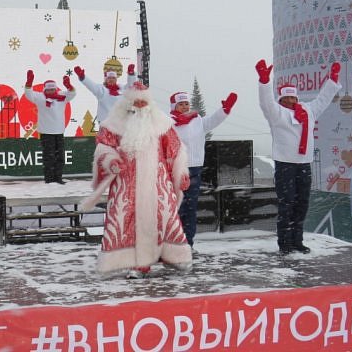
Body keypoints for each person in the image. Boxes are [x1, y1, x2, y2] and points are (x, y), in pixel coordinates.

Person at [81, 81, 192, 278]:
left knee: (163, 221)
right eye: (136, 103)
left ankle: (173, 257)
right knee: (127, 225)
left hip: (157, 187)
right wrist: (111, 161)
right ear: (127, 104)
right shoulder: (113, 125)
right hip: (126, 187)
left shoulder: (161, 124)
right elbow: (103, 149)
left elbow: (176, 150)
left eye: (144, 102)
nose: (140, 106)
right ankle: (136, 265)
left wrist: (181, 173)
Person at [256, 59, 341, 255]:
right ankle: (284, 242)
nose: (292, 101)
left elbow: (323, 100)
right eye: (288, 99)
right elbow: (265, 102)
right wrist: (263, 81)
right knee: (286, 204)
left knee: (302, 203)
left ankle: (297, 240)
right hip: (285, 164)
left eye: (294, 98)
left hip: (304, 164)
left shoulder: (308, 111)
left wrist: (332, 80)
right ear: (282, 100)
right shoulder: (276, 113)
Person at [170, 90, 238, 247]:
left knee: (191, 209)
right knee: (177, 209)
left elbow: (213, 121)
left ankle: (188, 244)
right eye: (181, 104)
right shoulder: (169, 122)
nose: (185, 107)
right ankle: (174, 244)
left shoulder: (198, 120)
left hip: (194, 169)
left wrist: (225, 109)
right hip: (176, 170)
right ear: (174, 106)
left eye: (187, 103)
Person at [24, 71, 76, 184]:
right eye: (49, 89)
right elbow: (29, 94)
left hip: (59, 132)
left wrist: (69, 86)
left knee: (60, 157)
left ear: (56, 89)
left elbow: (72, 94)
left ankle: (58, 178)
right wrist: (29, 83)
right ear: (45, 89)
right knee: (49, 157)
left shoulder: (61, 97)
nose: (51, 91)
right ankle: (49, 179)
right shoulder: (40, 97)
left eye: (53, 89)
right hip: (46, 133)